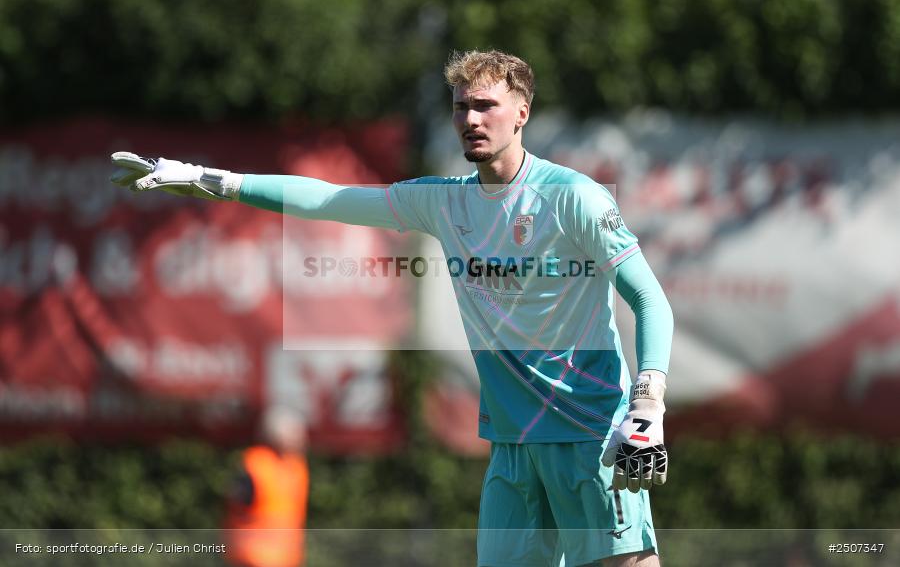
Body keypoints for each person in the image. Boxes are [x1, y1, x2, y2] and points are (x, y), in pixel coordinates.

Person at [111, 49, 673, 567]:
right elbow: (326, 198)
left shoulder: (575, 197)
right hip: (513, 444)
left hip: (591, 429)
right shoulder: (443, 200)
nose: (471, 119)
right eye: (461, 107)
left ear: (522, 112)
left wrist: (648, 406)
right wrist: (215, 181)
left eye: (486, 105)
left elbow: (649, 298)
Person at [225, 407, 310, 567]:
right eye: (295, 433)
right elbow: (238, 503)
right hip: (253, 557)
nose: (302, 438)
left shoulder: (296, 465)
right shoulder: (255, 464)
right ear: (278, 435)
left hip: (286, 557)